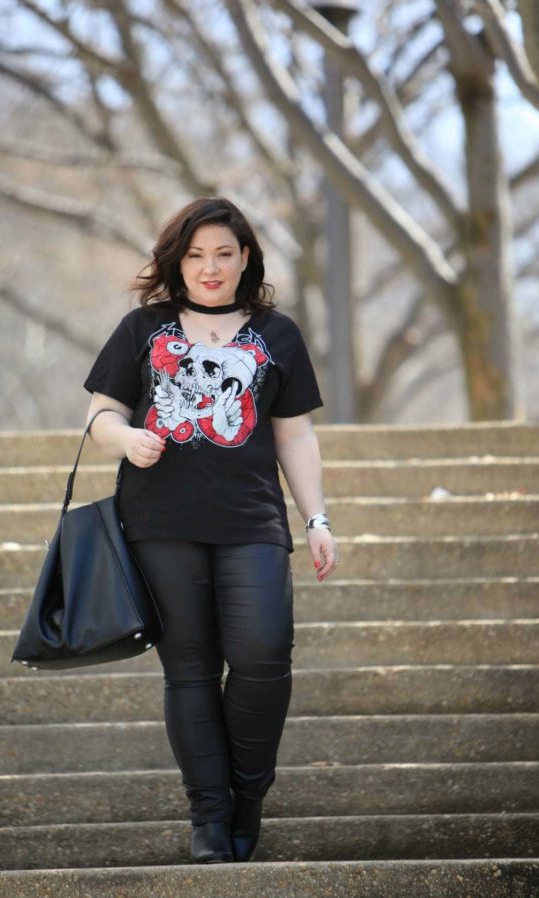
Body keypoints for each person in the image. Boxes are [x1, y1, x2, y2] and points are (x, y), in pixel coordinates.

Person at [83, 196, 338, 864]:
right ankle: (209, 817)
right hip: (159, 521)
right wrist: (128, 438)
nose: (210, 267)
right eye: (196, 255)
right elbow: (98, 416)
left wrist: (316, 518)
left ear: (246, 256)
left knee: (263, 656)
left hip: (251, 522)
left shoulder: (276, 334)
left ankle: (248, 796)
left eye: (224, 253)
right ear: (179, 261)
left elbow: (295, 432)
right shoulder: (144, 326)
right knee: (190, 671)